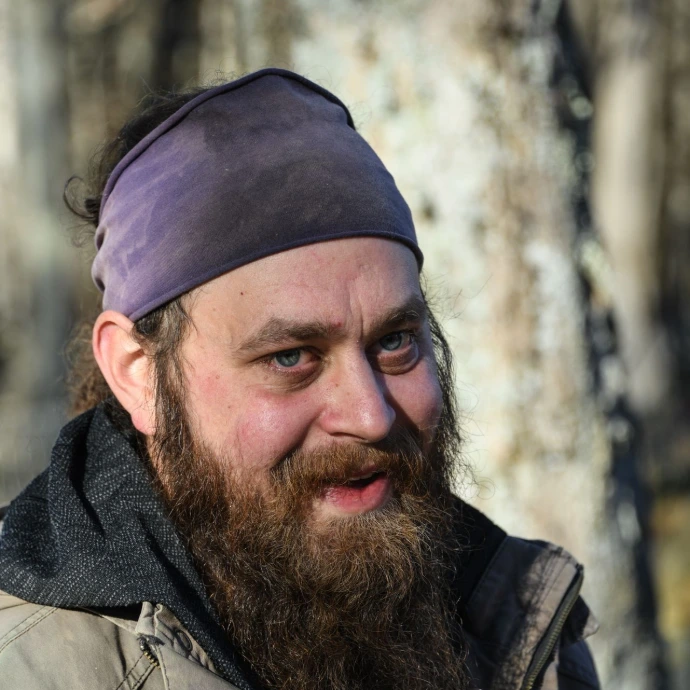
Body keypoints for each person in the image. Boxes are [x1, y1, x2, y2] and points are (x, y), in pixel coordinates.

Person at [0, 68, 599, 690]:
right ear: (138, 373)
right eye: (291, 357)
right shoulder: (29, 667)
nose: (370, 416)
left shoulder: (519, 628)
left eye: (394, 342)